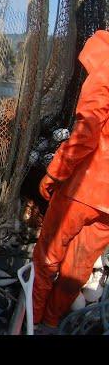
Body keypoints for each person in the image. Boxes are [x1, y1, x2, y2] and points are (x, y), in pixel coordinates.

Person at [33, 29, 109, 334]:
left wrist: (55, 172)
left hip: (86, 187)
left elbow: (87, 131)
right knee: (78, 266)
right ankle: (53, 320)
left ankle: (33, 318)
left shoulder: (105, 68)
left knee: (47, 257)